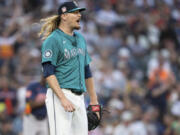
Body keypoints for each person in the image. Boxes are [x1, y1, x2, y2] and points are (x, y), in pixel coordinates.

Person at [39, 1, 99, 135]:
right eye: (75, 12)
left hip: (79, 97)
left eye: (80, 12)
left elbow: (87, 71)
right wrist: (62, 98)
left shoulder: (81, 39)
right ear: (64, 16)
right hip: (60, 95)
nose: (79, 15)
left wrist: (94, 101)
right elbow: (48, 73)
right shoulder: (53, 40)